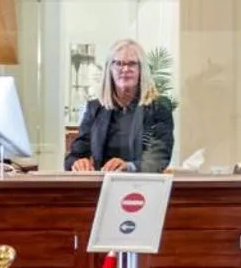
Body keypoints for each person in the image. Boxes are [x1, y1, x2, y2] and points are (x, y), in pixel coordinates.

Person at [65, 38, 174, 173]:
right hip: (100, 187)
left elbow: (159, 158)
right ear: (109, 68)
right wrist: (78, 162)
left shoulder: (158, 107)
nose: (125, 69)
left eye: (132, 64)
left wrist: (129, 167)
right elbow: (74, 155)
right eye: (119, 63)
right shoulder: (95, 108)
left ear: (141, 70)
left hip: (141, 186)